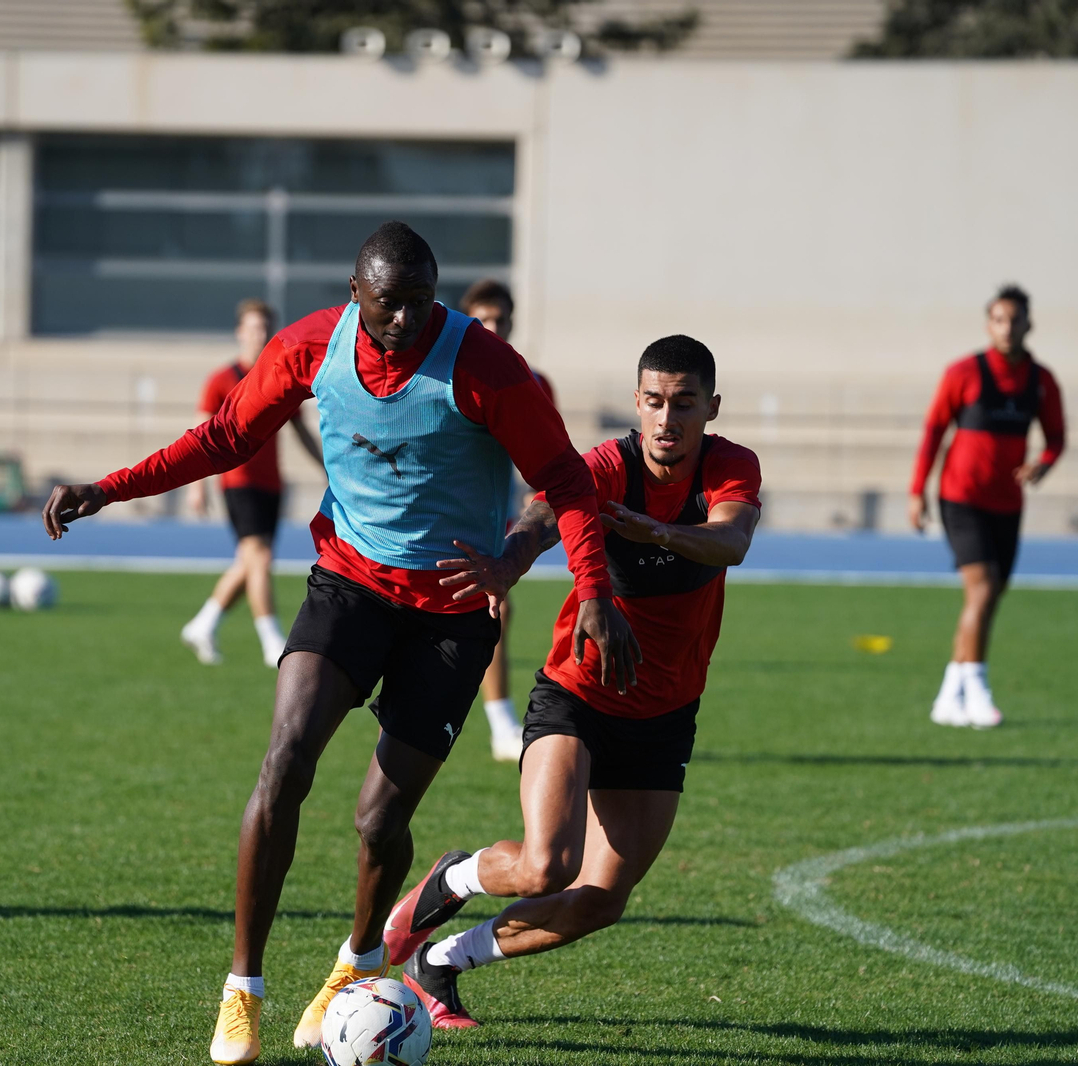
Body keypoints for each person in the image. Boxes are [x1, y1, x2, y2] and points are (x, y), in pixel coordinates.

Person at [40, 222, 636, 1065]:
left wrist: (577, 586)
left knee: (378, 821)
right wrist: (109, 488)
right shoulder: (309, 345)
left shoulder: (485, 366)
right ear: (354, 292)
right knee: (284, 761)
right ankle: (241, 989)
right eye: (389, 304)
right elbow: (223, 437)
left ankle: (354, 964)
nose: (406, 321)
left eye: (422, 304)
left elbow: (566, 480)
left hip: (452, 615)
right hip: (348, 586)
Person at [381, 334, 761, 1028]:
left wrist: (654, 532)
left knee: (600, 901)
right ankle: (453, 878)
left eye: (683, 404)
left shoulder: (730, 467)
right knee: (543, 866)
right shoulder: (609, 466)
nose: (666, 419)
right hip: (578, 695)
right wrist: (510, 561)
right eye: (653, 402)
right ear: (638, 403)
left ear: (711, 407)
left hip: (666, 712)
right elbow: (544, 512)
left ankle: (443, 962)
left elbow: (731, 540)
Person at [908, 284, 1065, 729]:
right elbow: (934, 430)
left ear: (1028, 324)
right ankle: (977, 689)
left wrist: (1043, 465)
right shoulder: (964, 373)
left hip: (1007, 503)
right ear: (988, 324)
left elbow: (1056, 438)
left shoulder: (1041, 381)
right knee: (982, 588)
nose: (1007, 327)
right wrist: (917, 491)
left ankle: (949, 695)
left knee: (989, 596)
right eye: (999, 319)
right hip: (961, 497)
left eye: (1015, 320)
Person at [181, 299, 323, 668]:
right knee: (258, 557)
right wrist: (196, 487)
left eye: (265, 327)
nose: (259, 334)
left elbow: (302, 431)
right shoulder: (221, 379)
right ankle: (271, 639)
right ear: (239, 331)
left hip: (272, 484)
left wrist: (328, 465)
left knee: (250, 563)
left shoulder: (281, 376)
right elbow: (199, 436)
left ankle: (203, 624)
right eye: (253, 327)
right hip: (237, 480)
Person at [457, 278, 558, 763]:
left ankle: (499, 722)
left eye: (500, 319)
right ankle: (493, 719)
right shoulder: (450, 374)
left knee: (497, 609)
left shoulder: (534, 382)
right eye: (483, 319)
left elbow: (548, 459)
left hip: (497, 515)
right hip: (451, 511)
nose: (493, 327)